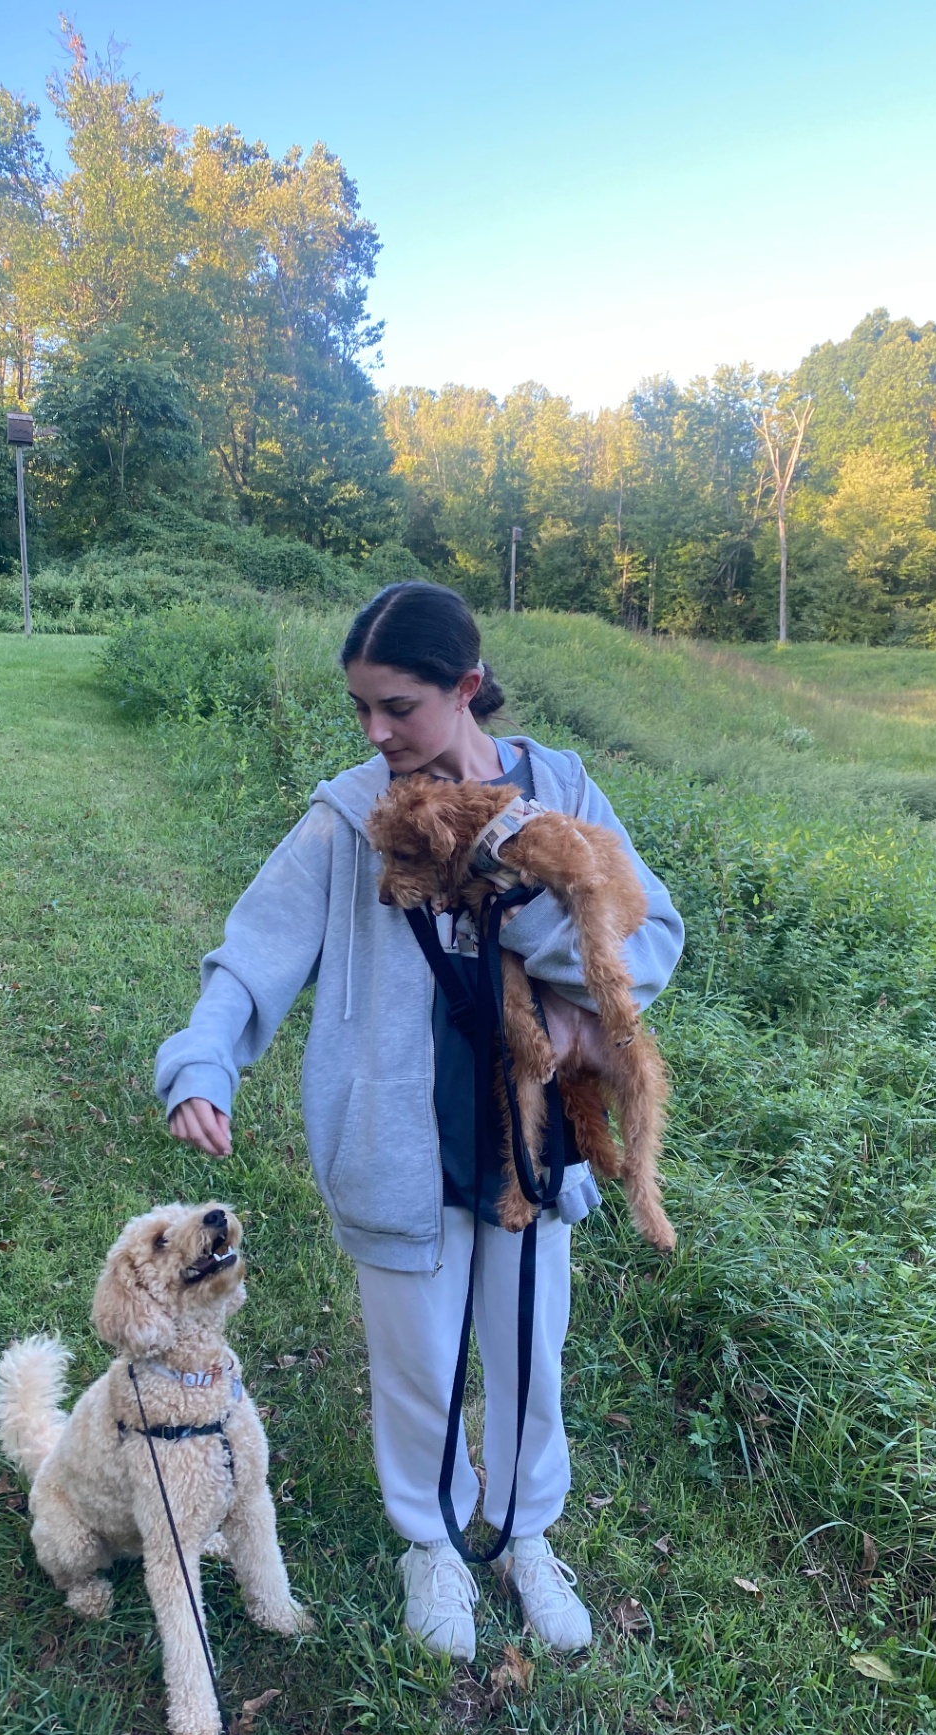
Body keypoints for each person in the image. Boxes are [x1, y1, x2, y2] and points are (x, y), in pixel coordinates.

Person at [156, 581, 684, 1661]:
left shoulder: (564, 791)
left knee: (530, 1354)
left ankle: (527, 1533)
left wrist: (519, 884)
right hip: (397, 1139)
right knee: (417, 1363)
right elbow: (254, 952)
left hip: (533, 1136)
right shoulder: (348, 815)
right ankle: (432, 1542)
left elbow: (646, 937)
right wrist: (204, 1061)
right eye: (361, 708)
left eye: (399, 706)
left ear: (468, 689)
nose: (376, 733)